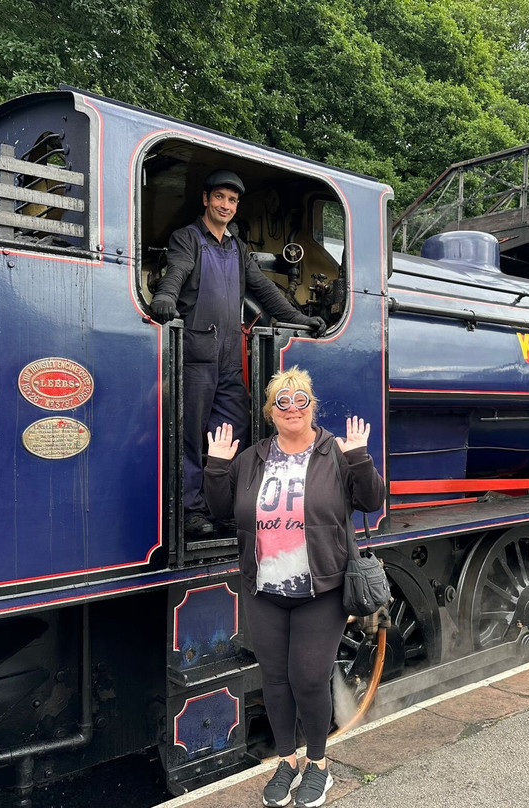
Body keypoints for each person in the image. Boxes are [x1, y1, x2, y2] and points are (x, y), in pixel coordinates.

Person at [203, 367, 385, 808]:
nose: (292, 408)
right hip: (264, 587)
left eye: (300, 399)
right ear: (271, 412)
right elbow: (221, 509)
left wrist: (360, 458)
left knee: (308, 678)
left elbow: (371, 501)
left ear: (311, 406)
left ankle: (318, 766)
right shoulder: (253, 458)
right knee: (275, 679)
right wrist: (217, 466)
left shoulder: (335, 452)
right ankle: (286, 761)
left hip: (321, 587)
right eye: (282, 402)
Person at [150, 170, 325, 540]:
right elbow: (177, 270)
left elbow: (263, 288)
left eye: (232, 200)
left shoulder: (237, 247)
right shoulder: (188, 238)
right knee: (190, 435)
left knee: (234, 429)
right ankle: (190, 511)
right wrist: (165, 295)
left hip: (229, 356)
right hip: (196, 352)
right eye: (219, 197)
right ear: (206, 199)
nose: (225, 205)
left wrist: (298, 319)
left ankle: (224, 505)